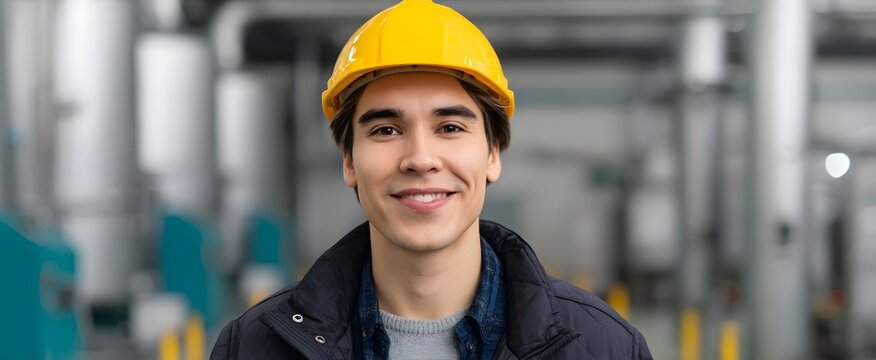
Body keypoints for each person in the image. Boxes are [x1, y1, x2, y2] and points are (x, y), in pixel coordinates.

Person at [210, 0, 652, 359]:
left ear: (493, 153)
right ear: (349, 160)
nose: (420, 159)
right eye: (385, 130)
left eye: (450, 128)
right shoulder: (252, 348)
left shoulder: (604, 347)